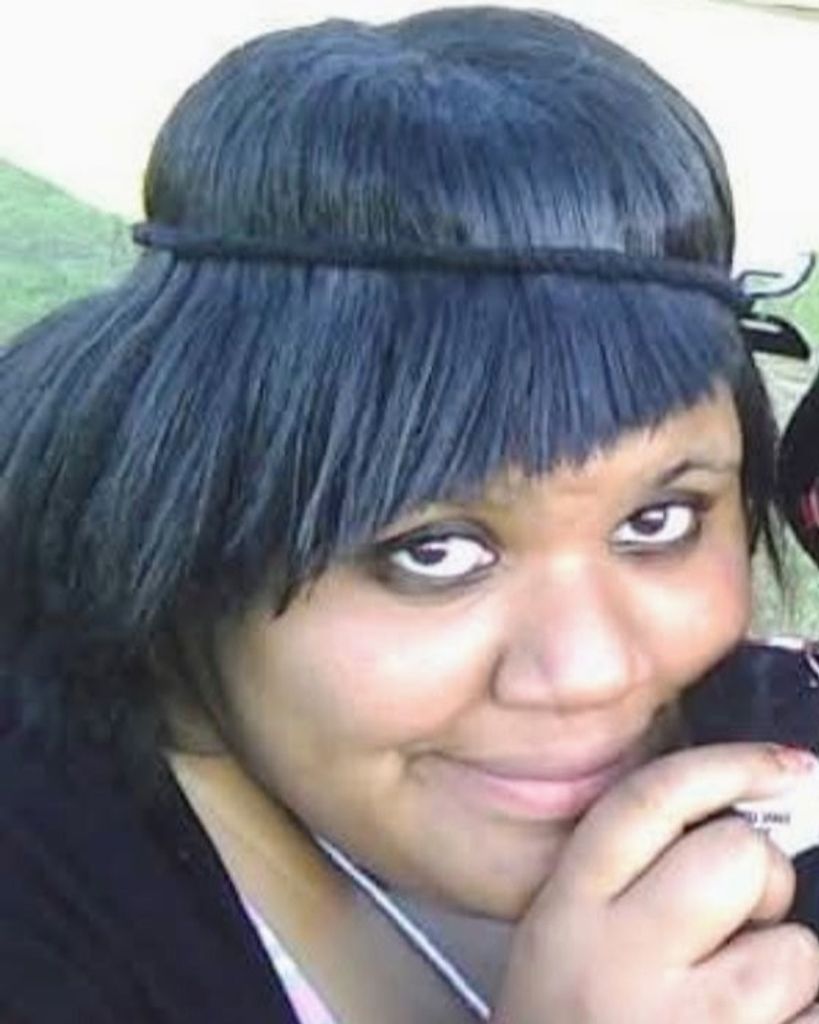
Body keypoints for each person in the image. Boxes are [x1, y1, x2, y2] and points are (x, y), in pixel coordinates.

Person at [2, 7, 819, 1022]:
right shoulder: (42, 908)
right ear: (190, 515)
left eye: (658, 521)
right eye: (434, 550)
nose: (592, 671)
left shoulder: (768, 747)